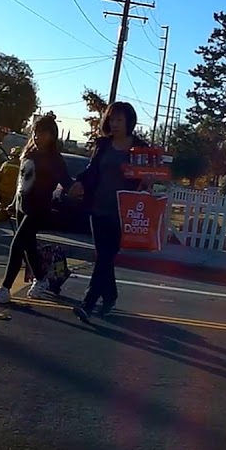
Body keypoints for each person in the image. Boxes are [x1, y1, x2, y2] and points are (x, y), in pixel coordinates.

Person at [67, 101, 149, 321]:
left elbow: (149, 176)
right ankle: (110, 295)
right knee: (104, 256)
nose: (114, 124)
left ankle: (89, 302)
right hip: (98, 207)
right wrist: (79, 182)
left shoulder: (139, 147)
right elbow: (92, 169)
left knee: (105, 256)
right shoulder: (103, 144)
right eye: (112, 119)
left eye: (119, 119)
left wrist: (150, 180)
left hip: (123, 212)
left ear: (129, 121)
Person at [0, 113, 72, 305]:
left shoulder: (55, 159)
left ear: (52, 135)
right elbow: (22, 180)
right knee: (28, 246)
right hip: (22, 204)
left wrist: (80, 189)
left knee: (18, 244)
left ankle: (5, 288)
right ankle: (41, 279)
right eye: (35, 132)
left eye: (43, 133)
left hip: (39, 208)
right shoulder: (29, 153)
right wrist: (12, 203)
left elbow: (67, 182)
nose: (37, 137)